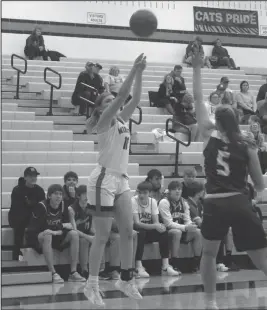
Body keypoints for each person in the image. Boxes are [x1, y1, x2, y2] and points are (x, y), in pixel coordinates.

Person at [192, 50, 267, 310]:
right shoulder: (247, 145)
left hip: (213, 202)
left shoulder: (208, 135)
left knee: (209, 254)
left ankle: (211, 303)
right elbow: (260, 185)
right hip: (238, 202)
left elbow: (199, 98)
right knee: (261, 258)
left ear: (217, 123)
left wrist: (198, 67)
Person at [83, 53, 147, 307]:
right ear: (101, 107)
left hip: (121, 180)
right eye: (108, 100)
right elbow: (121, 96)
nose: (115, 102)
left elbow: (136, 98)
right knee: (102, 236)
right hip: (103, 179)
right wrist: (132, 68)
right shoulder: (105, 120)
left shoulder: (122, 119)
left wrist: (140, 72)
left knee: (130, 233)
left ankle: (126, 279)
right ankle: (92, 284)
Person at [26, 184, 86, 284]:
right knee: (47, 234)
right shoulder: (41, 206)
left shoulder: (63, 206)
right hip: (40, 239)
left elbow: (69, 226)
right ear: (49, 196)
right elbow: (34, 230)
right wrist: (55, 230)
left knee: (74, 234)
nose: (58, 196)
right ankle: (53, 273)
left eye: (60, 194)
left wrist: (55, 230)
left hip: (57, 236)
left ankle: (73, 272)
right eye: (55, 194)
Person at [132, 181, 179, 278]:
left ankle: (165, 266)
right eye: (139, 192)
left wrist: (159, 227)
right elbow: (136, 223)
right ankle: (138, 266)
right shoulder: (133, 200)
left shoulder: (152, 201)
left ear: (150, 193)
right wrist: (155, 226)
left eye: (145, 193)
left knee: (163, 232)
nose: (141, 195)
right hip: (137, 230)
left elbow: (156, 222)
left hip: (148, 229)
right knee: (140, 233)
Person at [159, 181, 202, 274]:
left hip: (182, 229)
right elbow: (168, 224)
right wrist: (185, 228)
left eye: (179, 189)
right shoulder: (164, 202)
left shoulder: (184, 202)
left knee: (198, 232)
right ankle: (175, 264)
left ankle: (196, 264)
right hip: (166, 233)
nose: (177, 191)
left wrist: (190, 226)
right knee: (176, 232)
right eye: (174, 189)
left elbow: (187, 219)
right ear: (169, 191)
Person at [8, 167, 45, 261]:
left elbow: (41, 208)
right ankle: (16, 258)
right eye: (30, 176)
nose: (33, 178)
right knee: (19, 229)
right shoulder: (17, 190)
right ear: (25, 177)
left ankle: (36, 255)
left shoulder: (39, 190)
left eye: (35, 176)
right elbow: (16, 209)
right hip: (19, 219)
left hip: (34, 219)